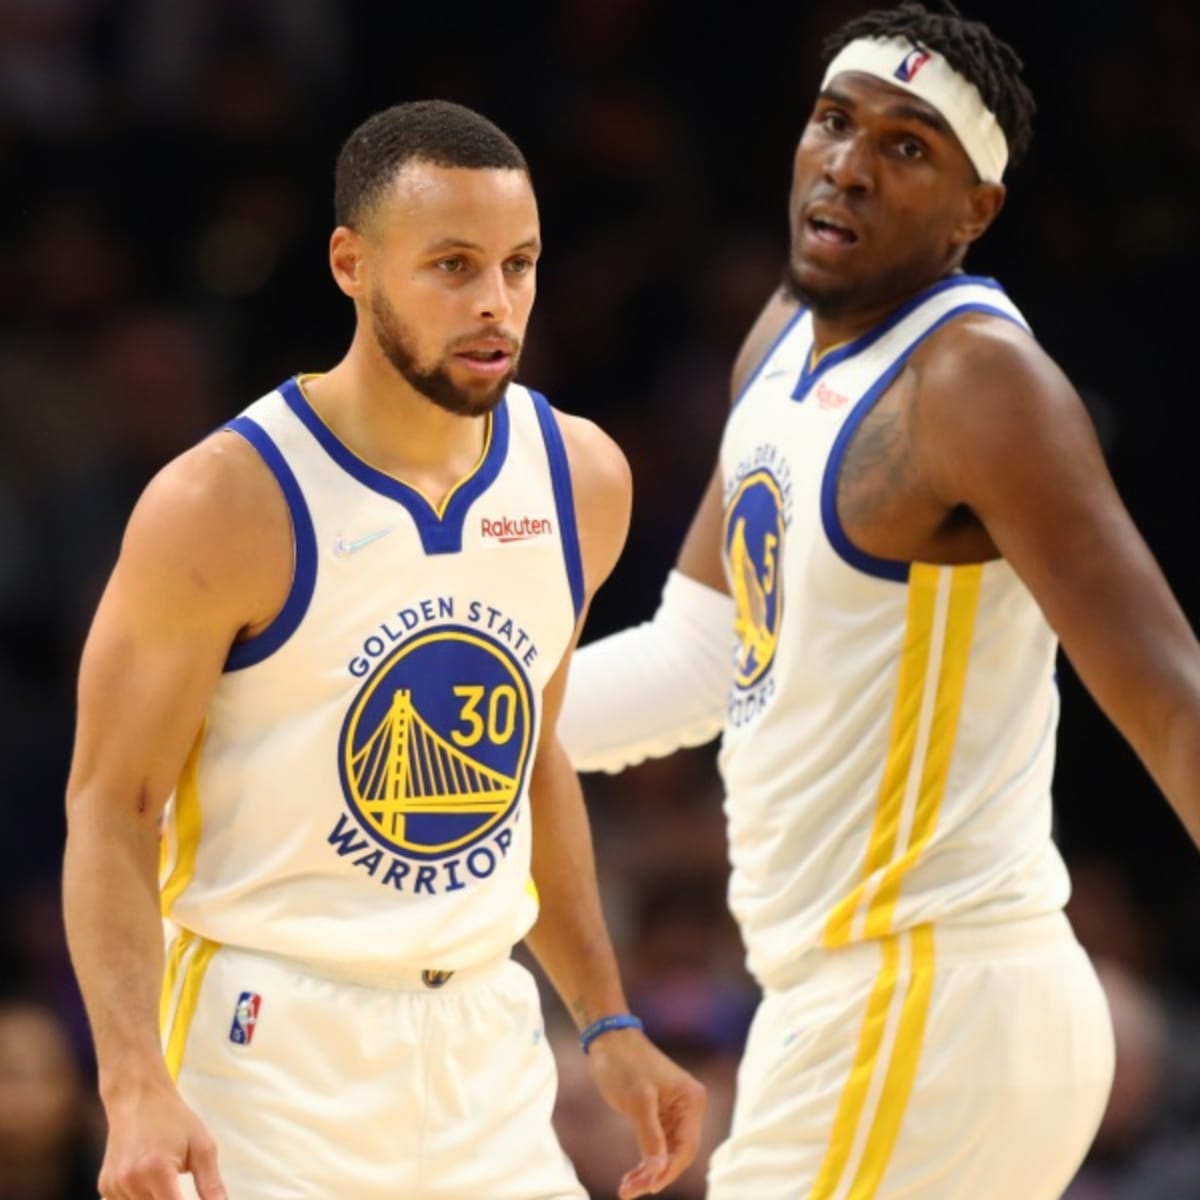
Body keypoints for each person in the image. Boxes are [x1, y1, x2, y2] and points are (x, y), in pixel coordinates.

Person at [558, 3, 1200, 1197]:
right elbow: (701, 657)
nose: (850, 163)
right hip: (860, 1009)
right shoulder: (780, 338)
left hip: (932, 994)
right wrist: (458, 734)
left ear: (975, 211)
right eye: (835, 121)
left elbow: (1172, 700)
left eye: (907, 146)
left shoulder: (977, 380)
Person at [62, 99, 704, 1200]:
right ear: (350, 265)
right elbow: (112, 807)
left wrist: (607, 1020)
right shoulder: (225, 502)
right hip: (266, 1050)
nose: (496, 301)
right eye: (452, 265)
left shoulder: (581, 478)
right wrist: (131, 1082)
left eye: (518, 264)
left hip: (488, 1047)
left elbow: (530, 763)